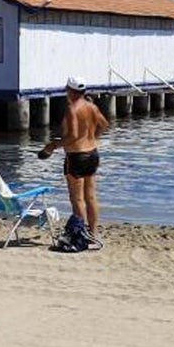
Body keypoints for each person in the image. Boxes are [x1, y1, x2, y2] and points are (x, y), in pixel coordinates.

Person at [39, 76, 108, 238]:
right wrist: (93, 138)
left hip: (76, 157)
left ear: (70, 90)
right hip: (92, 153)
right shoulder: (91, 106)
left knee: (76, 199)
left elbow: (73, 137)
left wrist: (53, 146)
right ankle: (92, 232)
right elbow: (104, 125)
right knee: (90, 196)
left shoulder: (72, 109)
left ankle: (81, 233)